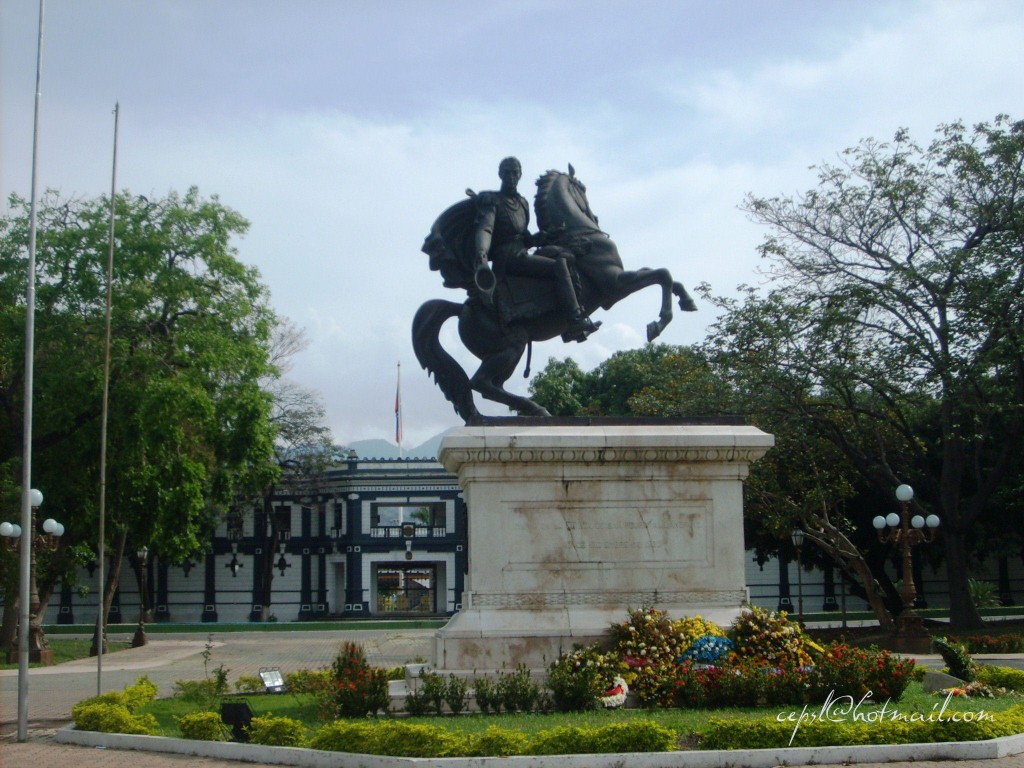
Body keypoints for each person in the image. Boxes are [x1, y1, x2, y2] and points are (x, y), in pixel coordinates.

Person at [473, 157, 599, 341]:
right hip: (507, 258)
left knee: (567, 255)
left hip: (522, 253)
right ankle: (575, 319)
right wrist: (481, 253)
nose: (511, 176)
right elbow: (486, 228)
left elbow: (525, 237)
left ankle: (568, 321)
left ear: (520, 175)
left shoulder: (522, 203)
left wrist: (544, 237)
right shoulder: (492, 200)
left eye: (514, 172)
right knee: (559, 265)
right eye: (507, 172)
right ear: (500, 174)